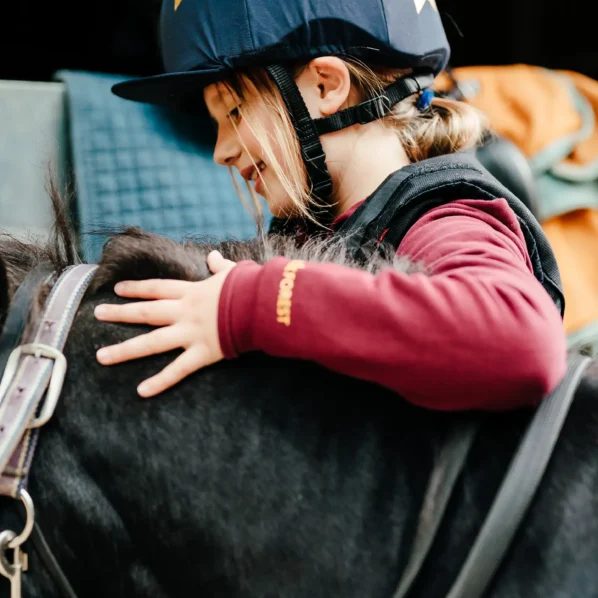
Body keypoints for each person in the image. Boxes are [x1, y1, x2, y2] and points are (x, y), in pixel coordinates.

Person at [97, 0, 567, 409]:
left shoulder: (442, 217)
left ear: (325, 86)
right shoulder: (311, 230)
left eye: (234, 111)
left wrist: (253, 304)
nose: (220, 150)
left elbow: (521, 343)